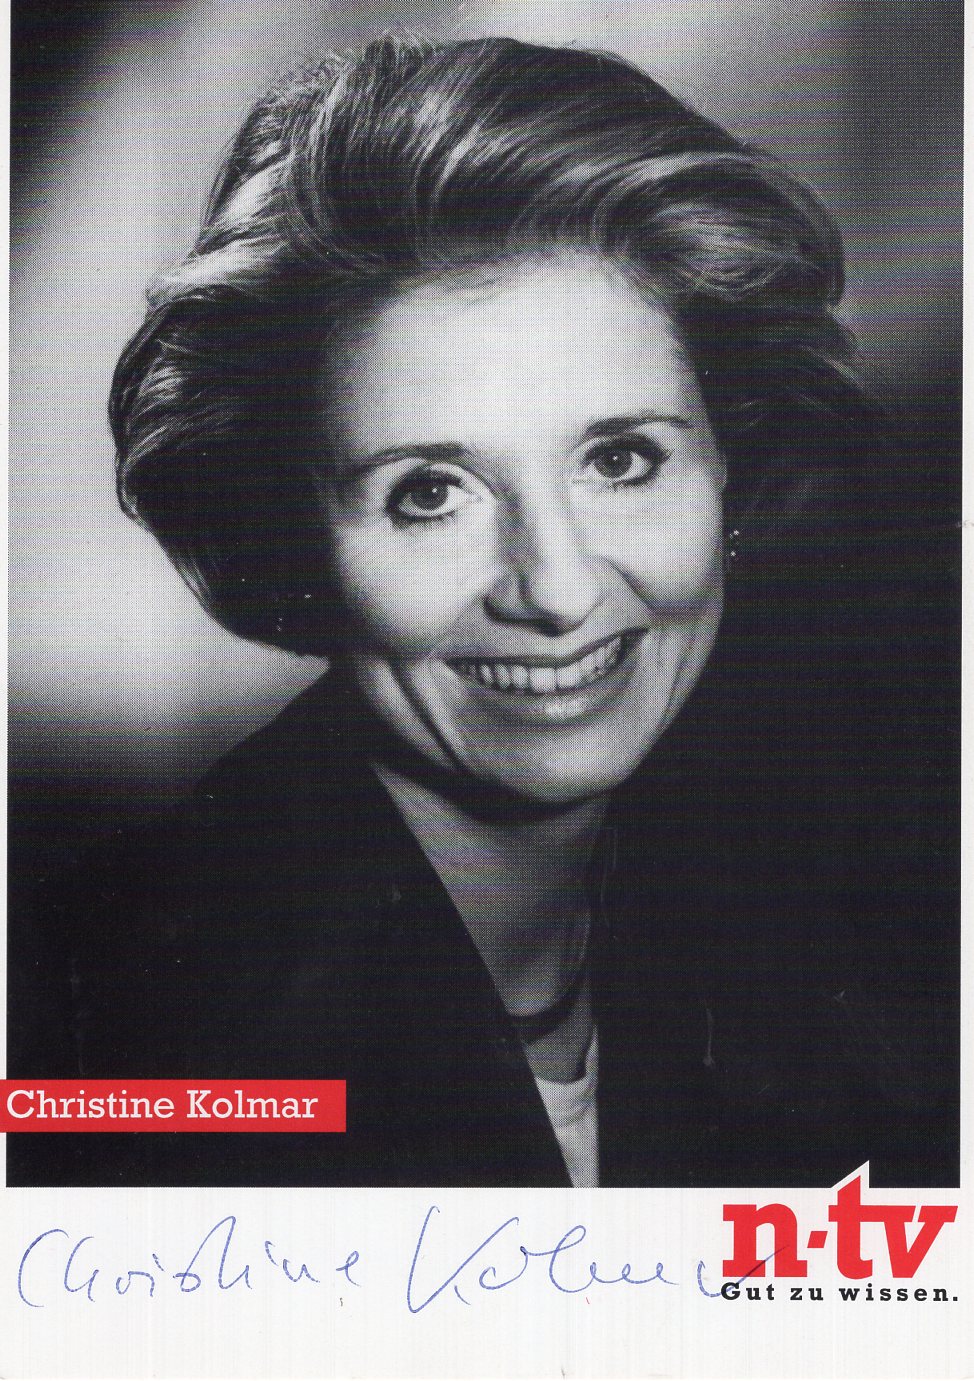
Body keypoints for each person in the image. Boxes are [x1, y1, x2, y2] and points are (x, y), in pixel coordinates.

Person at [9, 35, 957, 1188]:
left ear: (727, 460)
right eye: (430, 493)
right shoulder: (118, 1022)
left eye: (619, 459)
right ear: (294, 538)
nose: (555, 589)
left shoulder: (823, 939)